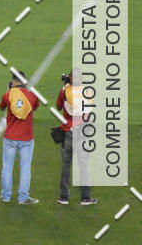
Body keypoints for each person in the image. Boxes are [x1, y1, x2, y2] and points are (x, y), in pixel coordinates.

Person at [56, 68, 97, 206]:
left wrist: (65, 87)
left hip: (68, 131)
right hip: (83, 132)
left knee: (66, 165)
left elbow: (58, 107)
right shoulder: (89, 91)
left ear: (71, 78)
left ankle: (64, 197)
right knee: (83, 164)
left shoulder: (64, 91)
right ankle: (86, 197)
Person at [0, 70, 40, 204]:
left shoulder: (8, 95)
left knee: (7, 167)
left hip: (10, 137)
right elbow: (35, 107)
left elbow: (2, 107)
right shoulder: (32, 96)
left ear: (13, 81)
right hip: (26, 138)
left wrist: (9, 91)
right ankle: (23, 197)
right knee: (25, 168)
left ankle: (6, 196)